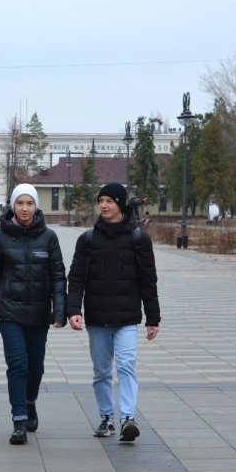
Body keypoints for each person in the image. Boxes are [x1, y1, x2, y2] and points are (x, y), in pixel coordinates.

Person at [0, 184, 67, 445]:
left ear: (36, 206)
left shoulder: (49, 237)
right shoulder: (0, 237)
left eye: (29, 203)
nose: (25, 208)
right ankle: (19, 420)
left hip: (38, 313)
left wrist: (60, 312)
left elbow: (58, 277)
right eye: (20, 203)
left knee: (36, 367)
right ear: (13, 206)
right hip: (9, 312)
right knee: (18, 364)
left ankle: (29, 401)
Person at [67, 182, 160, 443]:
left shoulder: (139, 239)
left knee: (126, 365)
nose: (104, 205)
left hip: (127, 317)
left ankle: (128, 418)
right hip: (97, 317)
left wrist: (153, 318)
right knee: (101, 371)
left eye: (109, 201)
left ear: (120, 204)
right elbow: (76, 278)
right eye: (101, 201)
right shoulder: (87, 240)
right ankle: (106, 418)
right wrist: (73, 309)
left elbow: (148, 282)